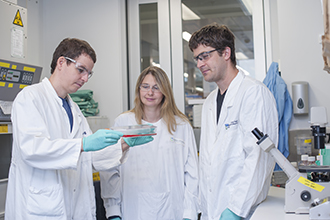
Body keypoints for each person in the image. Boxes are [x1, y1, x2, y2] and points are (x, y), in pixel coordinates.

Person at [5, 38, 152, 220]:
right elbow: (32, 149)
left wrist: (123, 144)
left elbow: (89, 158)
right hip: (40, 209)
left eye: (88, 73)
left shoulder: (74, 109)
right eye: (81, 70)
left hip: (74, 206)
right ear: (61, 62)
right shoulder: (30, 98)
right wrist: (82, 144)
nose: (84, 79)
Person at [188, 24, 279, 220]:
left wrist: (236, 210)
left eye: (205, 56)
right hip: (212, 211)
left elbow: (258, 158)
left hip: (242, 211)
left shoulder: (253, 93)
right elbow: (207, 162)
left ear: (226, 53)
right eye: (197, 58)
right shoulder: (210, 101)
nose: (199, 64)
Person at [99, 66, 199, 220]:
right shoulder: (124, 122)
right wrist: (113, 211)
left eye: (156, 88)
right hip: (133, 208)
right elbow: (111, 170)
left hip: (173, 209)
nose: (150, 93)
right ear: (138, 89)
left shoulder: (181, 125)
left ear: (165, 92)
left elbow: (192, 173)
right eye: (145, 87)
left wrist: (189, 213)